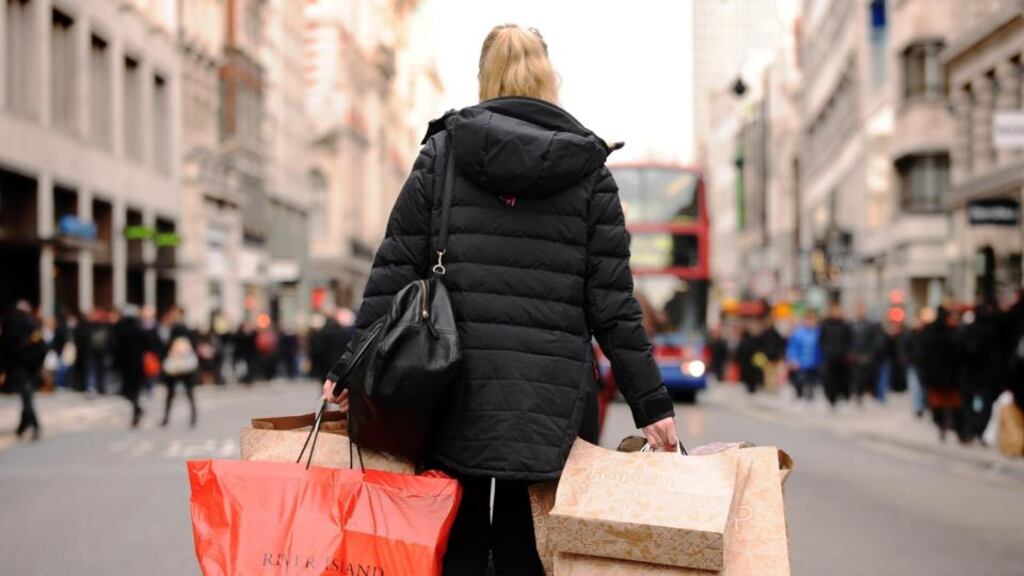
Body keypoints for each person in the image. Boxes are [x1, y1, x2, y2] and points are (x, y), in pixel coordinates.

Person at [322, 24, 678, 576]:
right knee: (526, 545)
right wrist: (651, 406)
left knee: (456, 538)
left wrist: (347, 368)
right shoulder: (590, 175)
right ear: (547, 79)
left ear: (486, 80)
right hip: (549, 401)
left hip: (449, 384)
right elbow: (613, 307)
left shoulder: (442, 157)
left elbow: (392, 272)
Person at [2, 301, 45, 440]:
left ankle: (34, 425)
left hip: (19, 365)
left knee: (26, 396)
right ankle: (24, 426)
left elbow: (6, 348)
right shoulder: (30, 323)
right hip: (30, 365)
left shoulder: (12, 323)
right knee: (27, 396)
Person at [919, 305, 961, 442]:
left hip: (939, 375)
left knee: (941, 403)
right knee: (945, 403)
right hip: (944, 375)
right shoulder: (950, 331)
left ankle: (943, 424)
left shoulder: (931, 331)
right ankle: (945, 424)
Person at [156, 307, 198, 427]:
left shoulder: (175, 330)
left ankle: (167, 418)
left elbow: (166, 347)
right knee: (186, 393)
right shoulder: (185, 330)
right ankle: (192, 417)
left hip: (178, 366)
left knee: (173, 393)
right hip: (183, 366)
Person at [112, 305, 150, 428]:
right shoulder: (139, 328)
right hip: (137, 364)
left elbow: (116, 347)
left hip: (127, 364)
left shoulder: (121, 328)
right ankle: (137, 410)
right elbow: (148, 344)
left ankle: (137, 411)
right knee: (134, 390)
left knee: (128, 391)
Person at [819, 302, 852, 408]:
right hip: (829, 357)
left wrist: (847, 352)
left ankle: (843, 398)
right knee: (830, 380)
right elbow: (822, 340)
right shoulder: (825, 325)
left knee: (843, 379)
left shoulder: (845, 325)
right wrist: (825, 351)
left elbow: (849, 340)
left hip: (842, 358)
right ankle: (831, 400)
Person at [786, 310, 822, 400]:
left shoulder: (818, 333)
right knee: (800, 381)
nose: (810, 322)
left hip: (814, 363)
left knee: (812, 383)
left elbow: (821, 348)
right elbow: (792, 348)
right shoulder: (798, 333)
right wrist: (792, 359)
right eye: (808, 320)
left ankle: (809, 398)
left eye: (812, 320)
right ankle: (799, 397)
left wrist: (821, 360)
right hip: (801, 363)